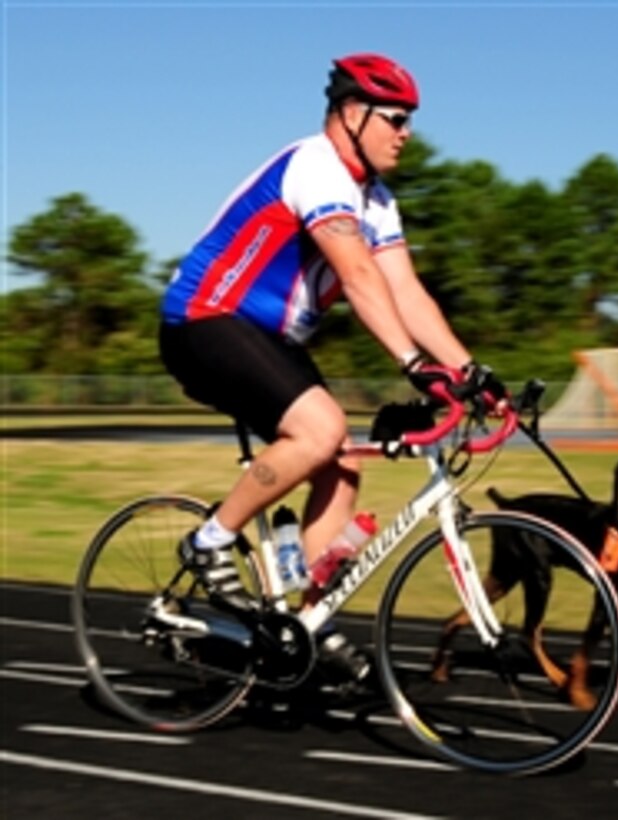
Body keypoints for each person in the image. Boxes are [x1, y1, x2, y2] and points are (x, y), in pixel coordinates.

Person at [158, 53, 505, 681]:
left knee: (341, 464)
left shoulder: (376, 201)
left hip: (268, 339)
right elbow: (359, 275)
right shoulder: (317, 168)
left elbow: (406, 292)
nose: (406, 133)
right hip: (205, 321)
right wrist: (412, 363)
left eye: (409, 120)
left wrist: (472, 374)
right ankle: (209, 542)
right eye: (395, 118)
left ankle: (310, 621)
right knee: (320, 431)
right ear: (351, 114)